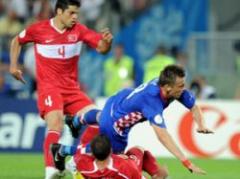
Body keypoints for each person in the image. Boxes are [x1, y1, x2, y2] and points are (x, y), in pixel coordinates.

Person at [9, 0, 113, 178]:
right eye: (71, 13)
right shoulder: (38, 29)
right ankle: (50, 171)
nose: (75, 17)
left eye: (77, 14)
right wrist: (12, 66)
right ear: (58, 11)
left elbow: (101, 48)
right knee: (55, 123)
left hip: (72, 90)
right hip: (50, 88)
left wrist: (107, 43)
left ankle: (74, 158)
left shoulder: (79, 30)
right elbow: (16, 41)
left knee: (101, 120)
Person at [67, 65, 213, 175]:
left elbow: (194, 107)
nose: (184, 89)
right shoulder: (152, 101)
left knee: (100, 116)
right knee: (114, 163)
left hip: (119, 98)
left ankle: (76, 121)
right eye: (181, 86)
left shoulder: (170, 87)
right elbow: (163, 135)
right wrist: (186, 162)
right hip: (116, 127)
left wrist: (201, 124)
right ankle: (73, 159)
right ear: (167, 88)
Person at [51, 134, 168, 179]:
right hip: (128, 171)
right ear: (111, 150)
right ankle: (157, 173)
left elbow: (74, 161)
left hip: (86, 173)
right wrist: (159, 176)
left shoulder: (82, 162)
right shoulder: (125, 167)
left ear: (92, 153)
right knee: (138, 149)